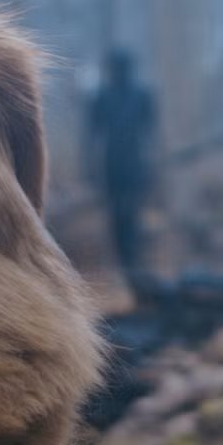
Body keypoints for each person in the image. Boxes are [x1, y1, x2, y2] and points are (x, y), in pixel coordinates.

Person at [85, 49, 158, 289]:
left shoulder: (142, 95)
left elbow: (151, 133)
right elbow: (91, 136)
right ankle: (125, 263)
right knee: (117, 216)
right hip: (114, 164)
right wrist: (90, 171)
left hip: (133, 163)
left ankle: (133, 263)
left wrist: (153, 167)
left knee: (132, 215)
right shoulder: (102, 97)